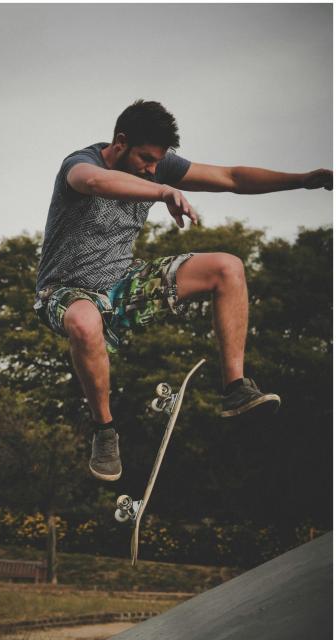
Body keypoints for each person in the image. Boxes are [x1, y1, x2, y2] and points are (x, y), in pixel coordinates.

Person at [34, 100, 332, 482]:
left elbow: (232, 178)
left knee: (227, 267)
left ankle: (236, 387)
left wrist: (300, 180)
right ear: (120, 142)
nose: (153, 169)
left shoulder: (157, 166)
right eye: (145, 159)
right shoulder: (80, 164)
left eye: (159, 161)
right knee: (83, 319)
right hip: (63, 289)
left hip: (123, 284)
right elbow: (92, 182)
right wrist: (161, 192)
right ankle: (105, 431)